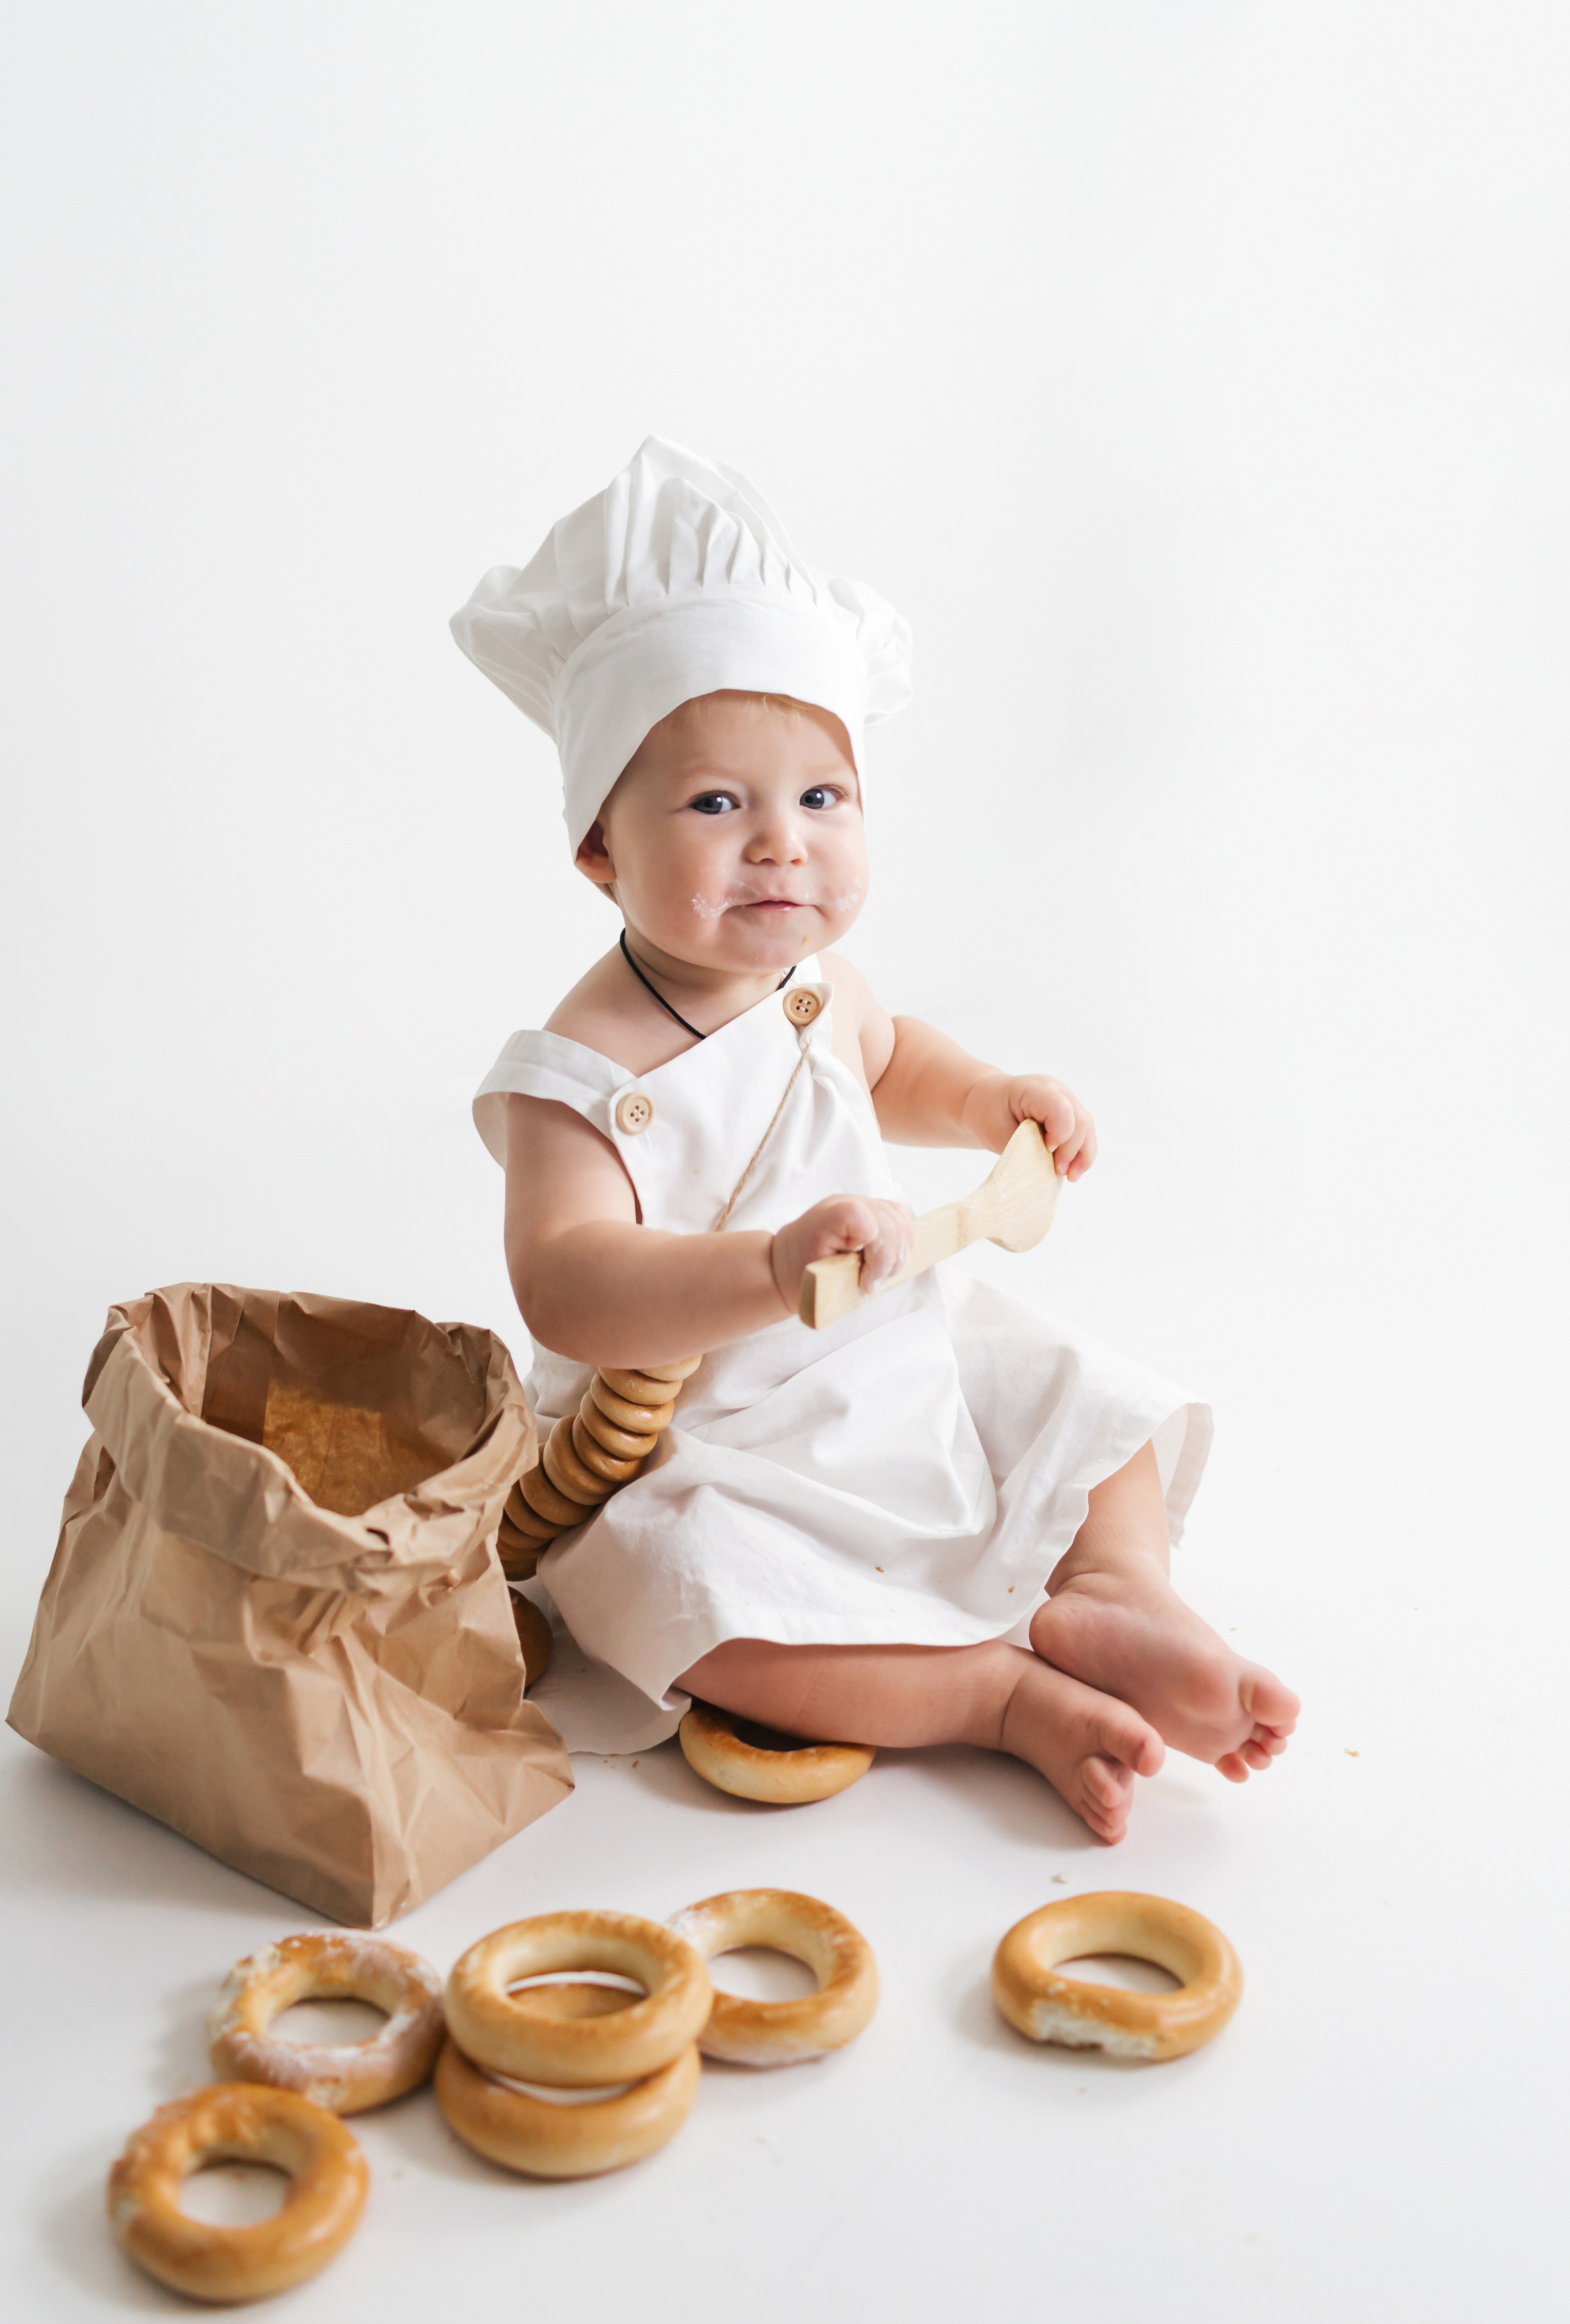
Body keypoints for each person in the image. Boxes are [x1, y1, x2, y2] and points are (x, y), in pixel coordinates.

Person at [459, 438, 1296, 1843]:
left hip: (890, 1347)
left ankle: (1120, 1590)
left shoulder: (818, 983)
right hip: (709, 1429)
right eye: (716, 803)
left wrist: (987, 1101)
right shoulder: (581, 1070)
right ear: (600, 848)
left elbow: (891, 1057)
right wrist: (761, 1267)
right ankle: (991, 1695)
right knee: (689, 1600)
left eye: (820, 798)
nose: (780, 843)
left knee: (1078, 1395)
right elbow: (565, 1280)